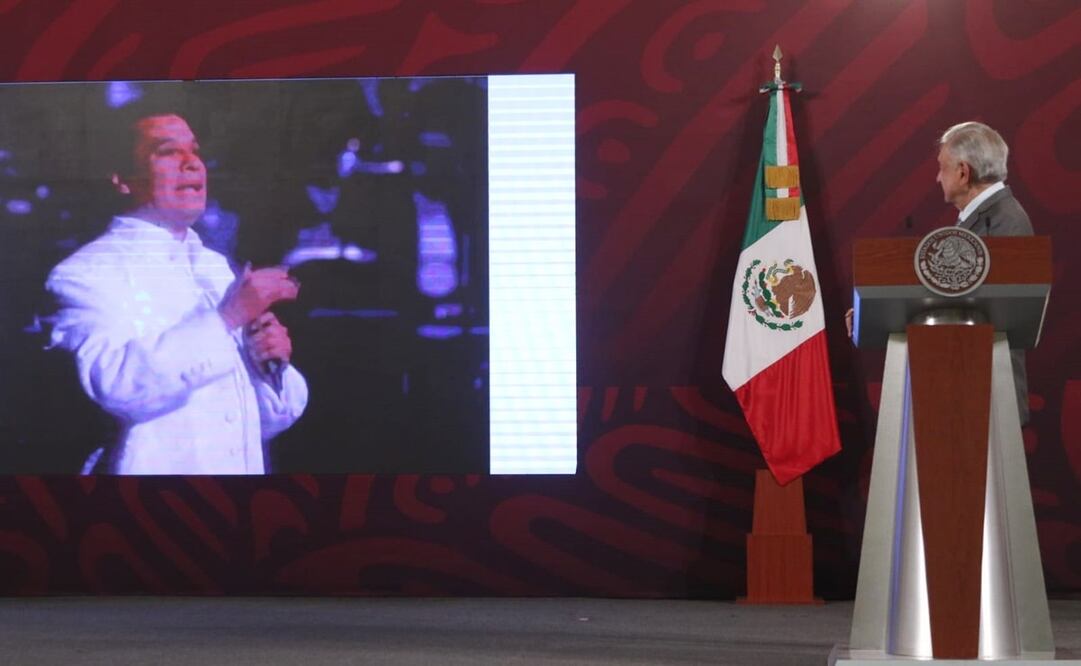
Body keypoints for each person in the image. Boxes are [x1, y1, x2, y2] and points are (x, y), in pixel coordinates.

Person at [45, 112, 308, 474]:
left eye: (195, 152)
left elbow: (248, 424)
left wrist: (270, 365)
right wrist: (228, 318)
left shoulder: (215, 267)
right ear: (122, 179)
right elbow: (117, 388)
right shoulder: (85, 273)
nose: (192, 164)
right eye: (168, 152)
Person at [845, 121, 1033, 423]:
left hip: (986, 393)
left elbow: (987, 308)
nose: (937, 177)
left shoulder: (1004, 221)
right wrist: (875, 311)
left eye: (942, 168)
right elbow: (952, 292)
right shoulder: (985, 220)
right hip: (963, 389)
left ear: (963, 171)